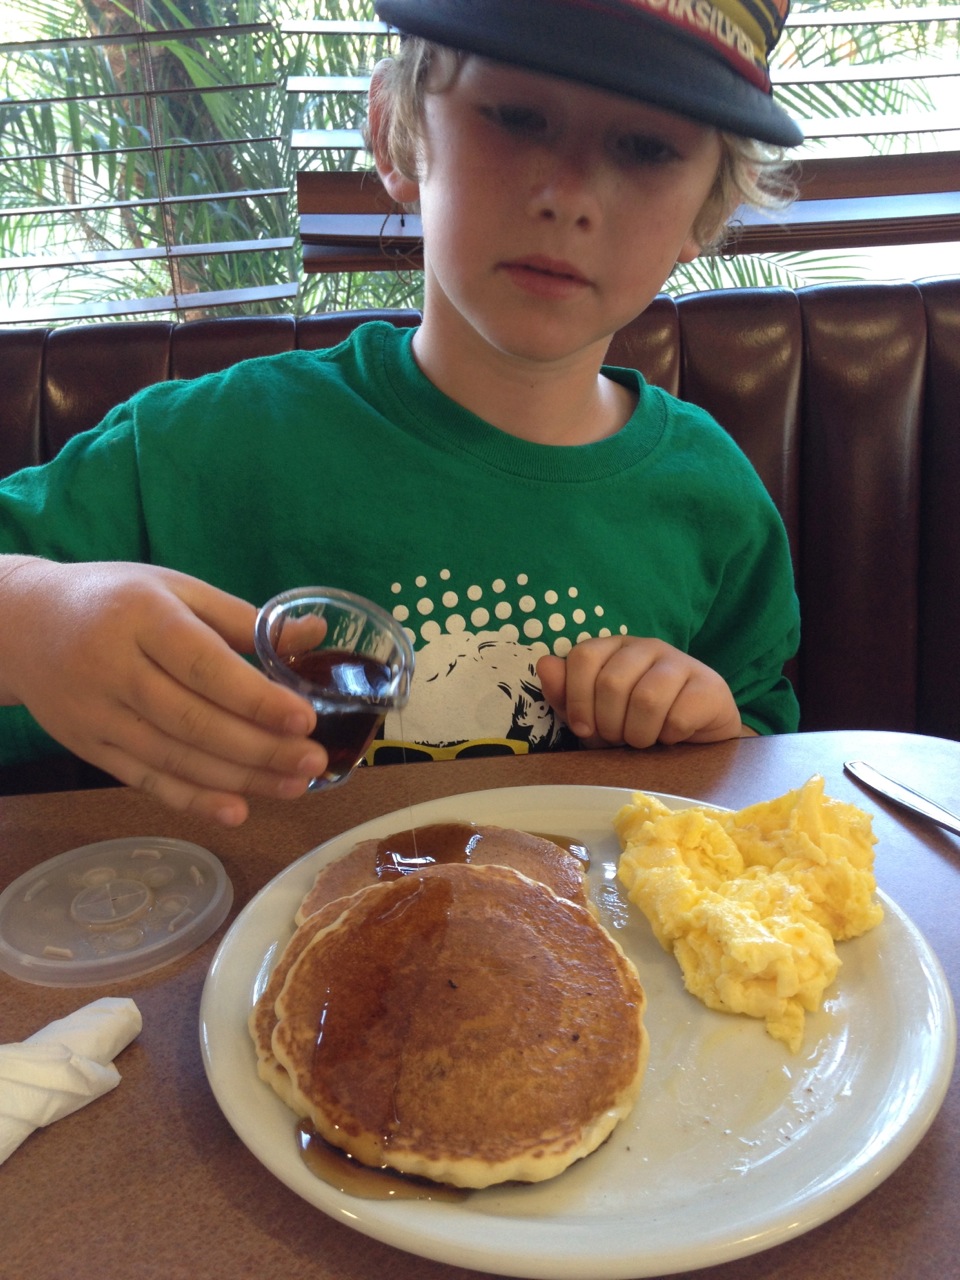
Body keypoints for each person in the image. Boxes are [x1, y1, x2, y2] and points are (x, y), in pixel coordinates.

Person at [0, 0, 803, 826]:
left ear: (707, 211)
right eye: (518, 117)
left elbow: (763, 754)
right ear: (397, 134)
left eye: (647, 149)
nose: (570, 197)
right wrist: (27, 623)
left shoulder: (716, 506)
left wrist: (712, 735)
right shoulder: (192, 448)